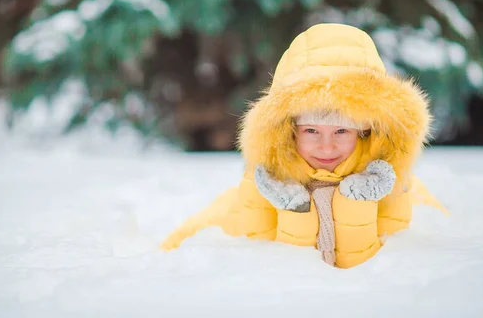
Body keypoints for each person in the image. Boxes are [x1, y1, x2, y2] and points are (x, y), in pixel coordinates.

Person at [160, 23, 446, 268]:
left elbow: (397, 252)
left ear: (365, 130)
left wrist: (359, 203)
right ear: (288, 129)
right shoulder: (267, 182)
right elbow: (249, 246)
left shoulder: (386, 178)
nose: (326, 147)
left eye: (341, 130)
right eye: (311, 130)